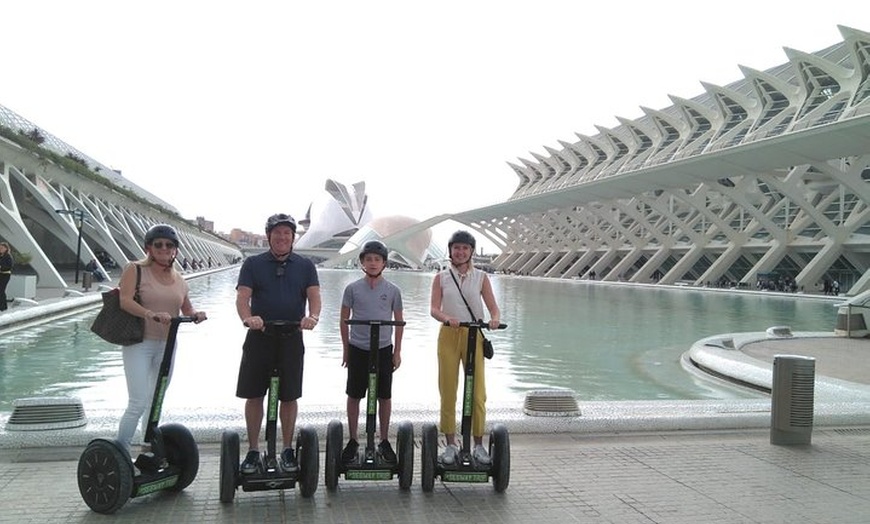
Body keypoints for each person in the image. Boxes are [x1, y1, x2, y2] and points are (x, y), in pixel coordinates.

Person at [235, 213, 321, 474]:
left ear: (293, 237)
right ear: (269, 236)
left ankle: (286, 448)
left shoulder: (305, 265)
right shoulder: (253, 264)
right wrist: (248, 318)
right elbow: (242, 299)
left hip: (291, 337)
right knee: (254, 394)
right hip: (260, 336)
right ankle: (252, 449)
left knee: (289, 395)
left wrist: (313, 317)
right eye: (277, 233)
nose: (282, 237)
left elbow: (314, 297)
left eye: (287, 233)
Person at [116, 224, 207, 456]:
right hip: (140, 343)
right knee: (137, 401)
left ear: (175, 249)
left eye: (169, 245)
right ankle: (121, 453)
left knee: (156, 399)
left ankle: (147, 449)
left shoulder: (179, 279)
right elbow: (124, 301)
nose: (164, 248)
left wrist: (195, 315)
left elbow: (186, 307)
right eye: (158, 244)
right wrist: (150, 314)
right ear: (149, 247)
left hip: (167, 345)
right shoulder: (134, 269)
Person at [429, 230, 501, 465]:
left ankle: (479, 444)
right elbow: (434, 309)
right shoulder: (441, 277)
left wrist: (494, 319)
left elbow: (493, 308)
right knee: (448, 390)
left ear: (471, 251)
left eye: (465, 248)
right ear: (450, 250)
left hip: (474, 335)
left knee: (477, 393)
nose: (460, 252)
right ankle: (450, 443)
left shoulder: (481, 277)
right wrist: (446, 318)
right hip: (449, 335)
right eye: (456, 247)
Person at [339, 240, 404, 464]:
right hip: (359, 348)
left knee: (384, 396)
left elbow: (399, 321)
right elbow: (343, 320)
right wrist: (346, 349)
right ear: (362, 263)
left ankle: (384, 439)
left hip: (383, 349)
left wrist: (397, 352)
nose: (373, 263)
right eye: (369, 259)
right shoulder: (352, 289)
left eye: (377, 260)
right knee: (354, 394)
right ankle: (353, 439)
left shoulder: (393, 291)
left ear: (384, 263)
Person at [0, 242, 13, 312]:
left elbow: (9, 266)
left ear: (6, 248)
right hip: (0, 274)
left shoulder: (8, 256)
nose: (0, 249)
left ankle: (3, 306)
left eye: (2, 248)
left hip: (5, 275)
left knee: (1, 290)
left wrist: (1, 267)